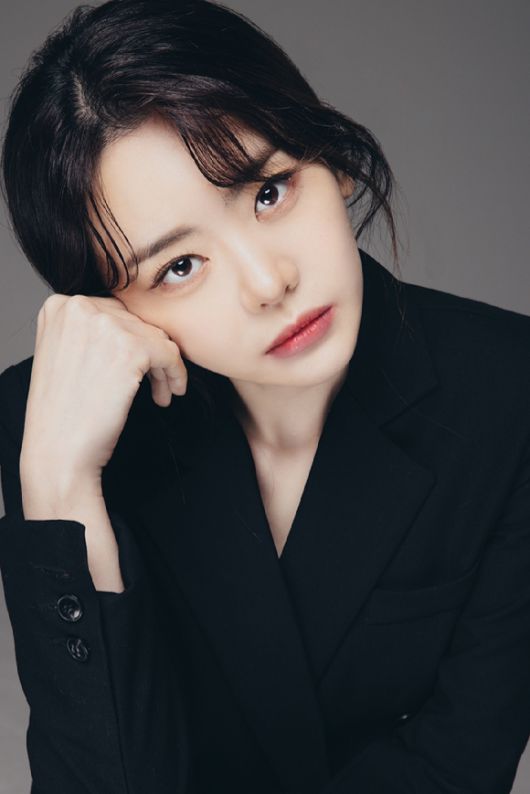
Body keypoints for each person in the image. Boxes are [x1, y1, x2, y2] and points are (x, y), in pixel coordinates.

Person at [0, 1, 529, 792]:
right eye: (179, 267)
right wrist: (59, 488)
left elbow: (454, 766)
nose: (268, 283)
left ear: (332, 158)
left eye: (269, 191)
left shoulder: (508, 393)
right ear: (113, 311)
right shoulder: (55, 430)